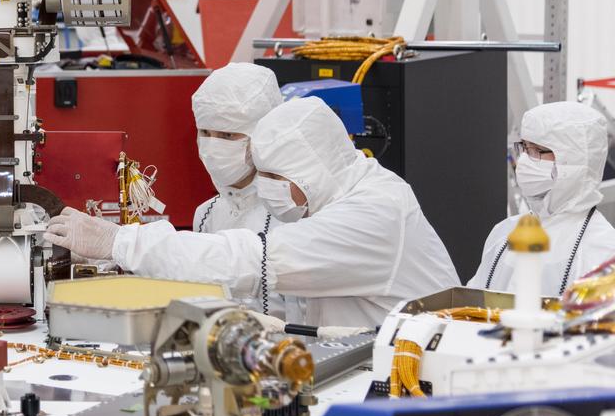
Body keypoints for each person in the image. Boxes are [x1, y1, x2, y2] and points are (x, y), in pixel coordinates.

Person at [0, 62, 286, 308]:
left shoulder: (288, 213)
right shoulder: (210, 212)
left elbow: (229, 263)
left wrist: (115, 243)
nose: (214, 146)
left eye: (229, 136)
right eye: (206, 133)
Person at [45, 96, 459, 327]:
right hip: (352, 362)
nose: (266, 190)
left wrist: (118, 241)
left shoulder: (374, 212)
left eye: (275, 177)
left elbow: (249, 260)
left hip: (406, 381)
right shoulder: (328, 196)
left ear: (311, 170)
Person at [469, 101, 615, 295]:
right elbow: (470, 306)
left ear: (574, 161)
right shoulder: (503, 234)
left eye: (538, 151)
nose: (524, 161)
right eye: (525, 148)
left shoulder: (603, 253)